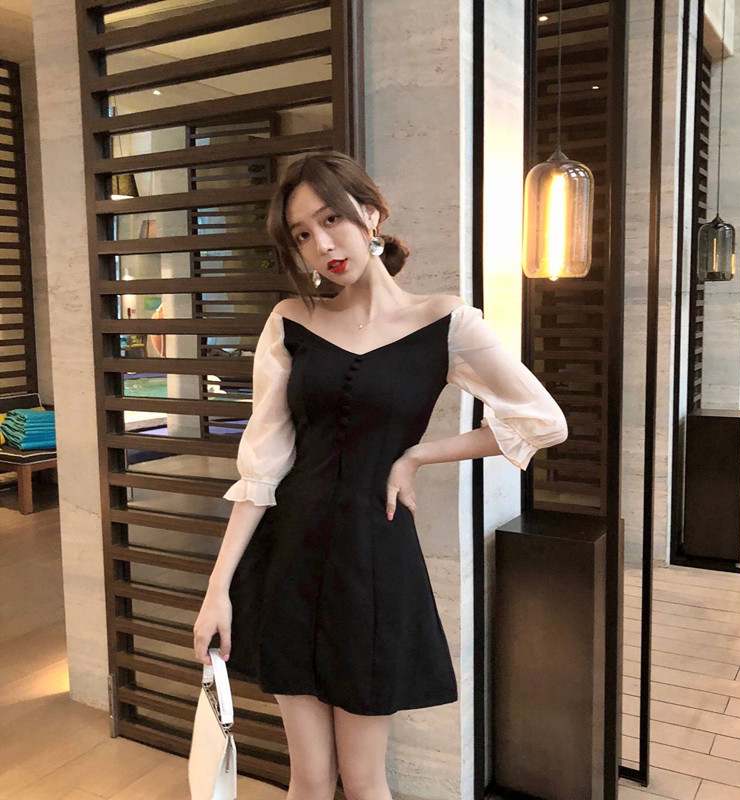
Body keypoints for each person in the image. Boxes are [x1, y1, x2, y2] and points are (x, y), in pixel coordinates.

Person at [192, 150, 568, 800]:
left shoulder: (445, 322)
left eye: (331, 219)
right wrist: (217, 589)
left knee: (365, 781)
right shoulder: (291, 321)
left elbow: (543, 420)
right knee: (309, 779)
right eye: (302, 235)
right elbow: (262, 466)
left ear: (371, 214)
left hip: (373, 561)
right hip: (288, 557)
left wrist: (417, 455)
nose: (321, 245)